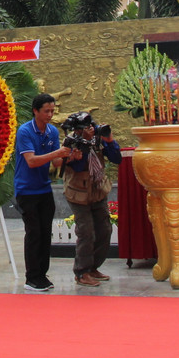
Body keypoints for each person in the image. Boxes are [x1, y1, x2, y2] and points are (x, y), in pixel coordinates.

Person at [14, 92, 72, 292]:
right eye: (46, 111)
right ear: (35, 111)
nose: (49, 115)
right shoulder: (24, 131)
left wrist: (69, 156)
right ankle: (32, 277)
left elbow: (56, 162)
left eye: (52, 111)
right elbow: (31, 161)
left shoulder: (52, 132)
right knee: (34, 232)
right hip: (26, 190)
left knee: (46, 232)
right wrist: (57, 153)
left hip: (44, 188)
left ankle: (42, 274)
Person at [58, 112, 121, 287]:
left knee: (104, 229)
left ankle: (93, 267)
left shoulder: (98, 139)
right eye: (85, 128)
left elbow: (117, 159)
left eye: (91, 126)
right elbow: (77, 166)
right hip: (78, 192)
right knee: (86, 232)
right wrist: (84, 144)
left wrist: (109, 141)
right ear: (78, 130)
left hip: (98, 190)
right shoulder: (70, 142)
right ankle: (81, 272)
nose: (90, 130)